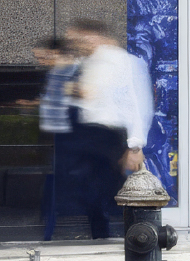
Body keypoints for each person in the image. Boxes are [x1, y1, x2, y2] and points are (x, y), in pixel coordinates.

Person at [66, 18, 153, 239]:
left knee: (113, 193)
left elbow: (137, 103)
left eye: (80, 39)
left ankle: (137, 237)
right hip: (89, 135)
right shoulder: (89, 63)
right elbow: (90, 98)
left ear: (95, 35)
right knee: (91, 193)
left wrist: (135, 145)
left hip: (110, 136)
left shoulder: (124, 62)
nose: (78, 44)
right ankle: (102, 237)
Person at [34, 36, 80, 241]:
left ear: (56, 53)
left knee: (58, 179)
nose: (41, 61)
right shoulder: (55, 72)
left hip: (66, 135)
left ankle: (51, 226)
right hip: (52, 133)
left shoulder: (74, 71)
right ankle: (48, 221)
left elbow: (75, 101)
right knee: (51, 177)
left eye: (43, 56)